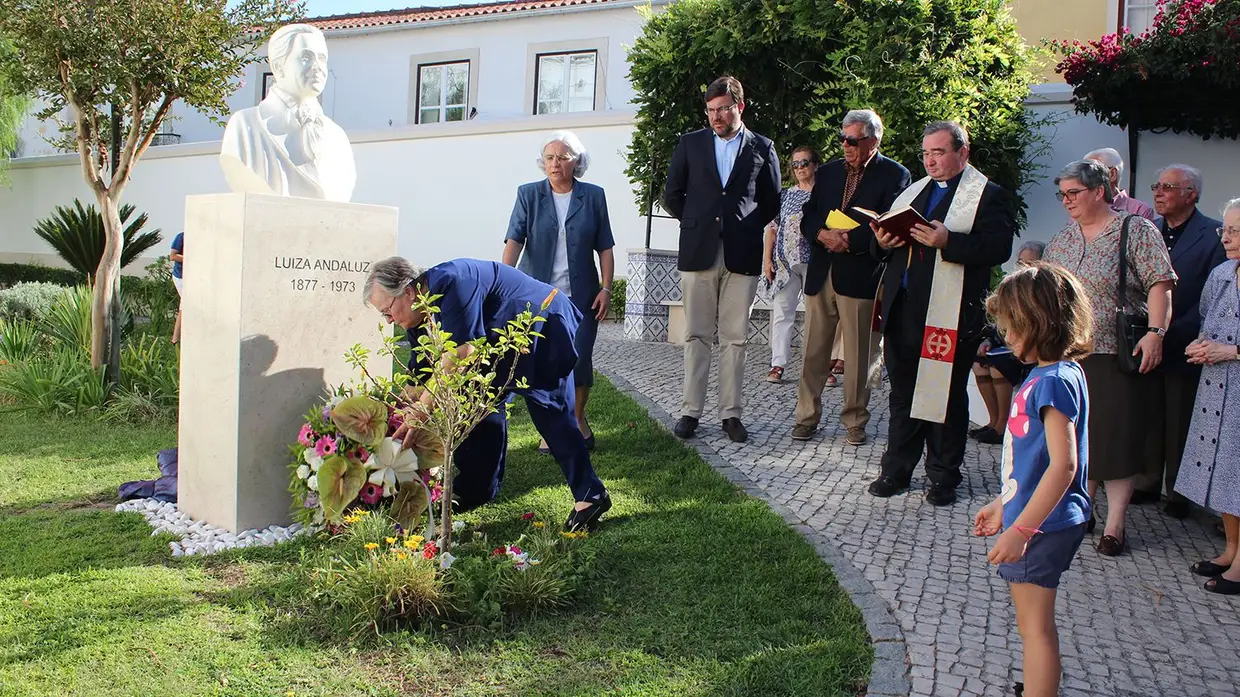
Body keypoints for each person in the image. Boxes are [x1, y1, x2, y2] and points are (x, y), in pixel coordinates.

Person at [364, 256, 611, 531]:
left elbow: (462, 352)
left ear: (408, 291)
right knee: (477, 403)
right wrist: (396, 415)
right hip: (501, 340)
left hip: (541, 323)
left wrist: (423, 406)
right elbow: (420, 372)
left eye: (387, 310)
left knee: (550, 412)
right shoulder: (418, 314)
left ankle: (592, 496)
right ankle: (477, 488)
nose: (388, 320)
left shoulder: (453, 283)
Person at [868, 121, 1016, 506]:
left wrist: (948, 241)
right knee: (902, 392)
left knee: (945, 395)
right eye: (926, 153)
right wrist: (881, 241)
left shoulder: (988, 195)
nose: (930, 161)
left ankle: (943, 475)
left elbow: (997, 248)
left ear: (962, 153)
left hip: (949, 313)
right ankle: (896, 470)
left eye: (938, 152)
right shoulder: (914, 192)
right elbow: (892, 247)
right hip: (903, 308)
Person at [1043, 159, 1176, 556]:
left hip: (1116, 352)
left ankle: (1115, 524)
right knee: (1079, 436)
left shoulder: (1134, 230)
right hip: (1071, 352)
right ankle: (1083, 510)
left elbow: (1160, 283)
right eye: (1062, 194)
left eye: (1073, 193)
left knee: (1116, 439)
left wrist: (1156, 333)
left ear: (1098, 191)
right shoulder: (1063, 239)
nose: (1066, 201)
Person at [974, 262, 1093, 697]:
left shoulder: (1052, 382)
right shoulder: (1060, 373)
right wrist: (1004, 503)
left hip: (1042, 526)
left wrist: (1021, 529)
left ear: (1038, 322)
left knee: (1034, 630)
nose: (1004, 336)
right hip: (1037, 517)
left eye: (1011, 326)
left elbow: (1063, 465)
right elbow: (1036, 461)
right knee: (1036, 627)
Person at [663, 75, 781, 443]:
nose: (716, 116)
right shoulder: (690, 144)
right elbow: (672, 194)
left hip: (741, 254)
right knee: (696, 334)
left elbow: (772, 201)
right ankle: (690, 412)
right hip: (698, 251)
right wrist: (698, 222)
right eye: (711, 110)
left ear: (739, 107)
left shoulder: (763, 146)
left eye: (723, 109)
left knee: (735, 337)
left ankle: (731, 414)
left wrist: (744, 227)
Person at [793, 109, 911, 445]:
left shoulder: (895, 175)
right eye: (842, 139)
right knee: (813, 350)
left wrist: (849, 241)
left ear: (874, 140)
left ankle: (855, 421)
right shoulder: (828, 173)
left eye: (853, 140)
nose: (845, 145)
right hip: (822, 271)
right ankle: (806, 417)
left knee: (860, 355)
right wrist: (821, 234)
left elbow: (890, 223)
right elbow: (809, 215)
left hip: (861, 273)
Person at [503, 131, 615, 453]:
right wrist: (504, 281)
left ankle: (577, 419)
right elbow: (514, 240)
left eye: (562, 157)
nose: (555, 163)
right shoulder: (528, 195)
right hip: (536, 293)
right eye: (549, 157)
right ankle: (551, 427)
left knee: (579, 358)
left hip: (580, 295)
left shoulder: (593, 197)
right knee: (541, 361)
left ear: (576, 162)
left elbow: (605, 247)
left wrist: (606, 288)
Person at [1133, 164, 1226, 517]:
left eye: (1169, 186)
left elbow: (1211, 296)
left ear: (1192, 195)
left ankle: (1179, 492)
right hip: (1146, 339)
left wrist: (1170, 333)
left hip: (1186, 342)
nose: (1158, 192)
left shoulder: (1213, 235)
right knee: (1150, 413)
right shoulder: (1149, 230)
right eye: (1157, 185)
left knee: (1180, 417)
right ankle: (1146, 480)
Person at [1174, 199, 1240, 594]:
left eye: (1234, 231)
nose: (1225, 236)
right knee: (1223, 472)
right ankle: (1231, 549)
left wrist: (1230, 351)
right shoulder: (1221, 273)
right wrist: (1201, 344)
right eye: (1225, 230)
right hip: (1217, 389)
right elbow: (1206, 320)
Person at [220, 23, 356, 201]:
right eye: (306, 57)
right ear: (278, 66)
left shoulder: (338, 137)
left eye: (322, 58)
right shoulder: (245, 127)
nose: (317, 67)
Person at [971, 241, 1046, 444]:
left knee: (998, 367)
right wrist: (987, 340)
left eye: (1030, 262)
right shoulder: (1011, 286)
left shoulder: (1042, 291)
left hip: (1030, 349)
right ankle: (992, 420)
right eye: (1021, 262)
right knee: (979, 364)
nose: (1024, 267)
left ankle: (1002, 425)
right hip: (1006, 344)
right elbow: (998, 323)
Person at [760, 146, 819, 384]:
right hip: (785, 263)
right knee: (782, 314)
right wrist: (767, 260)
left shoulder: (826, 194)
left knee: (818, 317)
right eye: (795, 165)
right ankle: (777, 364)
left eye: (804, 163)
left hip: (816, 262)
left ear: (815, 164)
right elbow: (772, 228)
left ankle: (817, 368)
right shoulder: (785, 196)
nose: (800, 168)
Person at [1083, 148, 1155, 221]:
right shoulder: (1081, 209)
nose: (1083, 179)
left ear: (1112, 174)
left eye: (1090, 172)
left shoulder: (1140, 210)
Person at [169, 231, 184, 345]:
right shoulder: (181, 236)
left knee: (183, 306)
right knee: (185, 305)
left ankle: (175, 339)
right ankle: (175, 339)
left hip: (193, 276)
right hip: (180, 276)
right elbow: (173, 256)